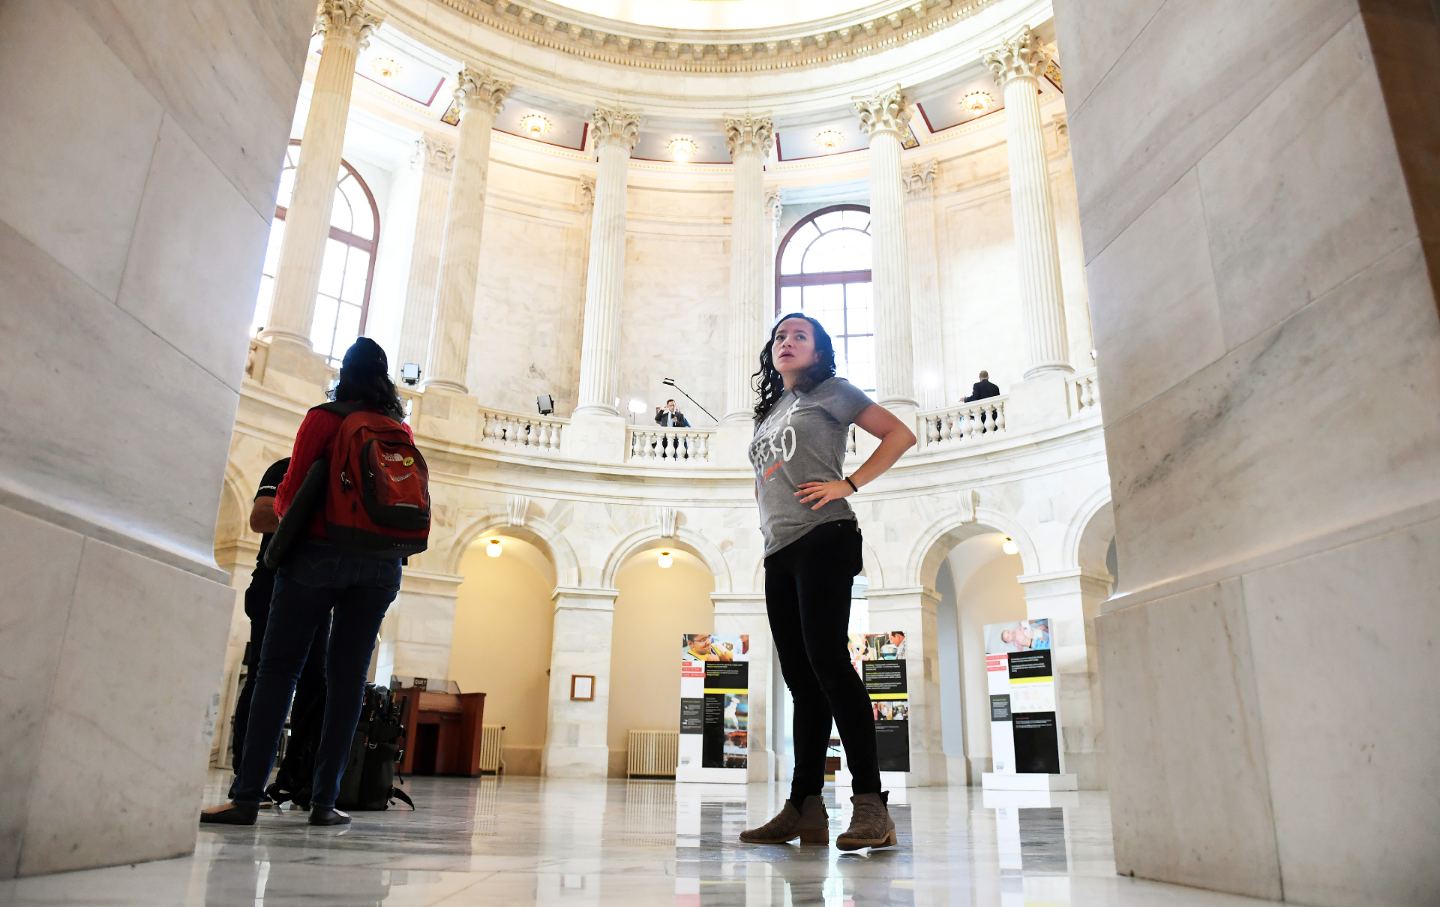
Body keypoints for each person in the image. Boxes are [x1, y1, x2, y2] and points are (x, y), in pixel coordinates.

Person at [202, 338, 410, 828]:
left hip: (317, 556)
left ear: (345, 374)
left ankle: (247, 796)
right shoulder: (400, 430)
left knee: (278, 672)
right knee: (347, 685)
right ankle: (324, 802)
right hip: (380, 567)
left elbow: (287, 499)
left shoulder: (324, 418)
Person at [739, 312, 915, 852]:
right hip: (780, 550)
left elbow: (898, 434)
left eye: (799, 336)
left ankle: (870, 806)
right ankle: (804, 807)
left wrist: (850, 484)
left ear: (819, 351)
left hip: (825, 536)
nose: (786, 342)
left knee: (830, 666)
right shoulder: (770, 411)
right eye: (779, 336)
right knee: (801, 679)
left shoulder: (833, 391)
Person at [227, 457, 330, 805]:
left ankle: (296, 779)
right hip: (273, 585)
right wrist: (317, 520)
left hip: (319, 590)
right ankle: (247, 775)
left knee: (316, 684)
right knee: (263, 676)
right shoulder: (285, 468)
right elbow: (260, 517)